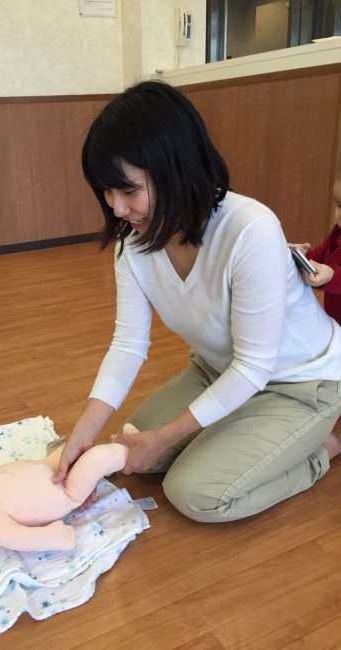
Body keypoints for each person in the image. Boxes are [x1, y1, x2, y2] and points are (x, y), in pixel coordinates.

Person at [53, 80, 341, 524]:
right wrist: (83, 432)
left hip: (299, 383)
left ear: (176, 169)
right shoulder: (132, 244)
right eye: (107, 192)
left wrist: (165, 436)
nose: (116, 209)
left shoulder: (251, 230)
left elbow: (255, 366)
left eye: (129, 191)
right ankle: (237, 429)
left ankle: (325, 447)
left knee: (195, 494)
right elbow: (128, 344)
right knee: (133, 447)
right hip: (217, 369)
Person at [298, 171, 341, 325]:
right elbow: (318, 256)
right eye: (339, 205)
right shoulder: (337, 234)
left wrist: (331, 275)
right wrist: (301, 255)